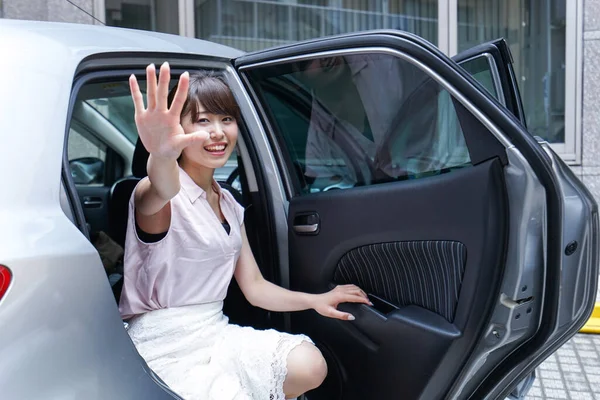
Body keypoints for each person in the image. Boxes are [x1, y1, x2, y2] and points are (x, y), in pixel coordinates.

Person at [118, 62, 371, 400]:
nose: (218, 132)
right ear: (178, 130)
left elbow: (254, 287)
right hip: (164, 342)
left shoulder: (230, 204)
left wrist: (317, 300)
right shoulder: (161, 194)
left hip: (214, 331)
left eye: (226, 119)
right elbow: (160, 187)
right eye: (202, 121)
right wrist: (161, 155)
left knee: (310, 365)